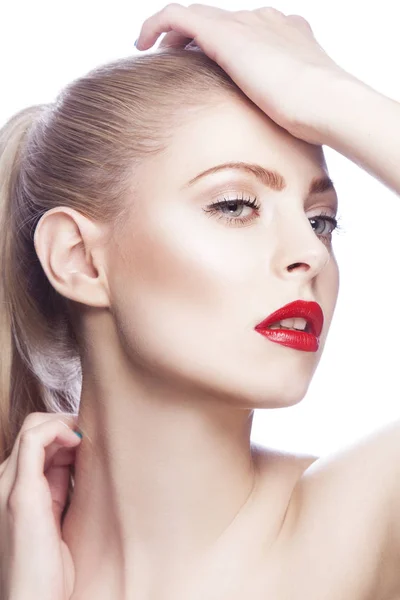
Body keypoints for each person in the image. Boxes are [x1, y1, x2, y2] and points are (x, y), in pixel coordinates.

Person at [0, 4, 399, 600]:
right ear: (79, 259)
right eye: (235, 205)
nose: (310, 255)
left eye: (321, 221)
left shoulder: (364, 526)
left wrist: (322, 92)